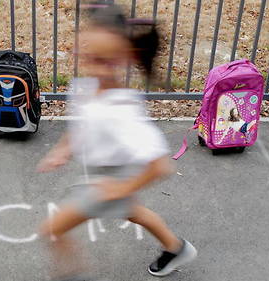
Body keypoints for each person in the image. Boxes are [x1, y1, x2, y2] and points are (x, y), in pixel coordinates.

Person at [36, 3, 197, 280]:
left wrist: (121, 187)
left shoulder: (122, 109)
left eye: (102, 60)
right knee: (133, 212)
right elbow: (81, 125)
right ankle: (176, 248)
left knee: (51, 230)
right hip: (105, 175)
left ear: (122, 60)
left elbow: (161, 166)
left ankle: (71, 273)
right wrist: (63, 148)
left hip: (108, 182)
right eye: (87, 55)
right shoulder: (84, 87)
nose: (91, 65)